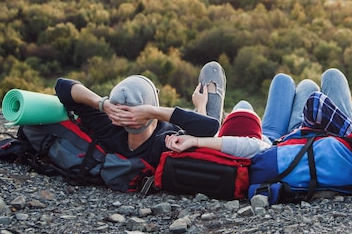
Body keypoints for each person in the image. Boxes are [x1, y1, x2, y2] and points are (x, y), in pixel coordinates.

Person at [54, 61, 226, 167]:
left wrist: (103, 104)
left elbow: (62, 86)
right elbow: (209, 128)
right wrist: (155, 111)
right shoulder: (166, 141)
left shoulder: (106, 127)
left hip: (184, 123)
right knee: (213, 70)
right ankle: (214, 111)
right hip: (192, 124)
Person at [165, 68, 352, 158]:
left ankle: (213, 120)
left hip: (266, 139)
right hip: (290, 142)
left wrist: (201, 108)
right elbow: (246, 146)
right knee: (313, 83)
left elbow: (238, 144)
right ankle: (213, 121)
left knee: (277, 83)